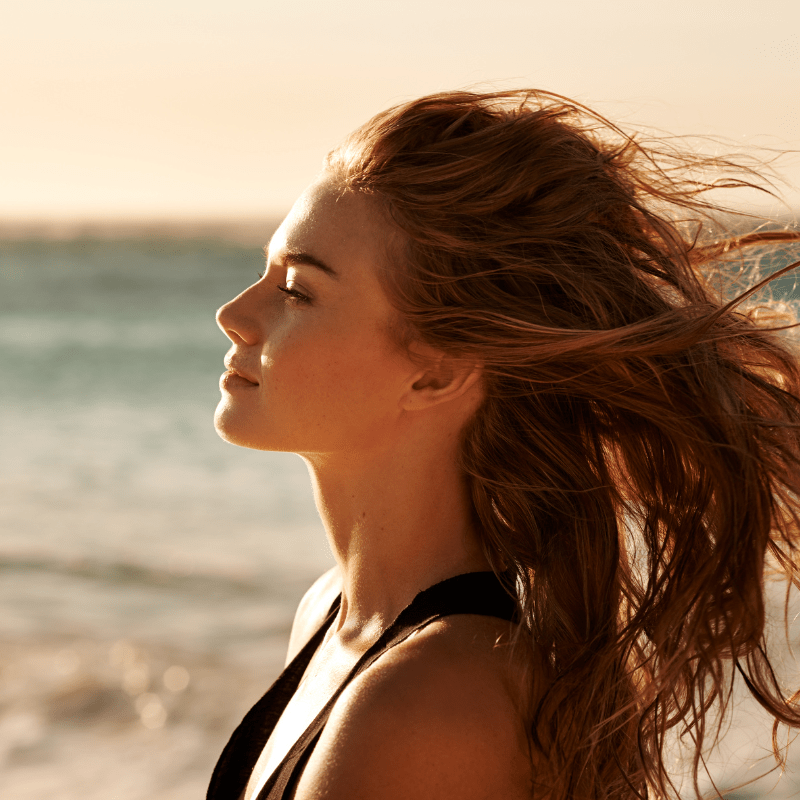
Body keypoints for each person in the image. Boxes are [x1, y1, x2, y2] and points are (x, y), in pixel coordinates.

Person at [207, 90, 800, 800]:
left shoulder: (430, 707)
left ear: (436, 371)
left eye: (298, 291)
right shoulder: (334, 612)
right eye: (268, 275)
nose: (234, 313)